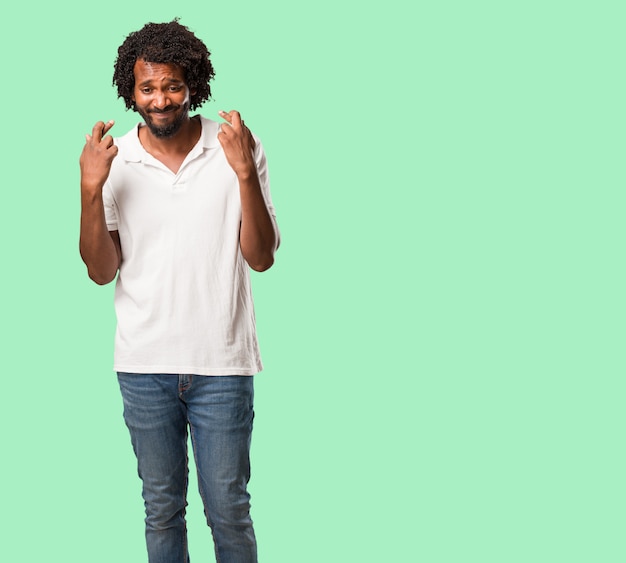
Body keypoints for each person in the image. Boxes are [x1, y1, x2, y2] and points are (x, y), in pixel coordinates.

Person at [78, 19, 278, 563]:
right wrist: (90, 191)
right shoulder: (115, 159)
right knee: (161, 510)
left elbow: (260, 257)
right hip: (144, 367)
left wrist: (244, 175)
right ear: (131, 90)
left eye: (172, 86)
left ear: (193, 83)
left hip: (223, 364)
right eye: (148, 88)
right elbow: (100, 271)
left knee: (229, 511)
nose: (161, 100)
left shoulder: (236, 145)